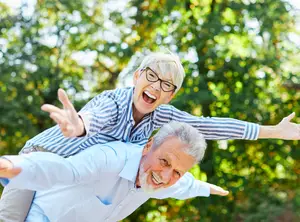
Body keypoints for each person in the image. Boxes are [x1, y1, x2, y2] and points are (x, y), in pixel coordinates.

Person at [0, 52, 299, 221]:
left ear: (170, 96)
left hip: (70, 182)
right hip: (39, 158)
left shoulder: (162, 116)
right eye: (152, 76)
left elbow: (210, 125)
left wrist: (273, 131)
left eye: (167, 85)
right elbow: (96, 117)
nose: (157, 86)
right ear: (137, 78)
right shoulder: (113, 101)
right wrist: (78, 125)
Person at [0, 122, 228, 222]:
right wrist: (11, 166)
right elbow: (63, 169)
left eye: (177, 172)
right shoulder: (110, 158)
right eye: (164, 162)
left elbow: (187, 185)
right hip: (44, 215)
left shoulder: (166, 180)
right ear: (148, 146)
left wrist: (208, 188)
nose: (166, 177)